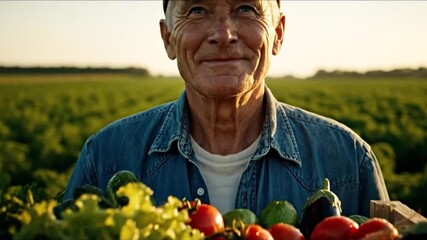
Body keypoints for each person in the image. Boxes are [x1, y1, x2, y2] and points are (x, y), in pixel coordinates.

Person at [63, 0, 389, 217]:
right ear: (167, 39)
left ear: (277, 33)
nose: (223, 35)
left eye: (246, 8)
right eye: (196, 10)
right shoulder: (104, 157)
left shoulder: (349, 159)